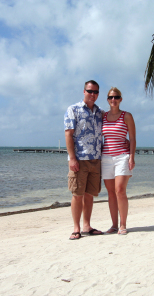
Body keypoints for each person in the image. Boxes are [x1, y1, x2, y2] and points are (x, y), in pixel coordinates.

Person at [64, 80, 104, 240]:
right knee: (77, 194)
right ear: (84, 91)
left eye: (95, 92)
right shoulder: (73, 109)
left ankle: (87, 226)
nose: (92, 94)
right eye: (90, 91)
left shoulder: (100, 112)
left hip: (96, 159)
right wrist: (72, 158)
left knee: (89, 195)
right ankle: (76, 228)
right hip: (79, 159)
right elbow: (68, 134)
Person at [102, 87, 136, 235]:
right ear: (108, 100)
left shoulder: (126, 116)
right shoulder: (103, 116)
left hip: (122, 156)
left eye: (116, 97)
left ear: (120, 99)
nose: (113, 100)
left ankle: (123, 224)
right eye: (110, 97)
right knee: (110, 193)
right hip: (106, 158)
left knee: (120, 190)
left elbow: (133, 139)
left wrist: (131, 157)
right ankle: (114, 225)